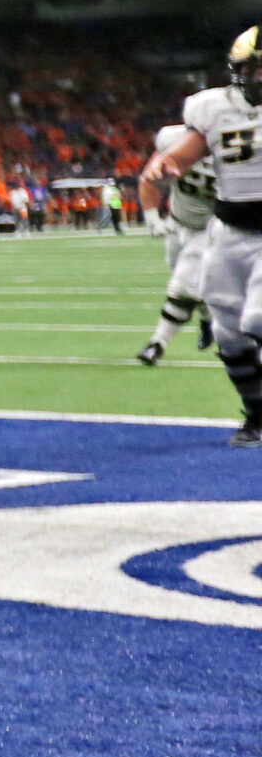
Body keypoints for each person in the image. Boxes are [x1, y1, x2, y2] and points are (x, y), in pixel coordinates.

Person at [144, 25, 262, 445]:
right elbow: (185, 152)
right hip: (229, 231)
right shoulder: (212, 107)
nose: (260, 78)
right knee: (228, 333)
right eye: (254, 68)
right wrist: (169, 166)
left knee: (258, 319)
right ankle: (255, 414)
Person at [137, 122, 216, 365]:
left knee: (182, 284)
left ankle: (157, 344)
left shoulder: (244, 148)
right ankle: (207, 318)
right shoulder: (173, 139)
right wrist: (152, 217)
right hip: (178, 222)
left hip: (214, 226)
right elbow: (150, 178)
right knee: (187, 280)